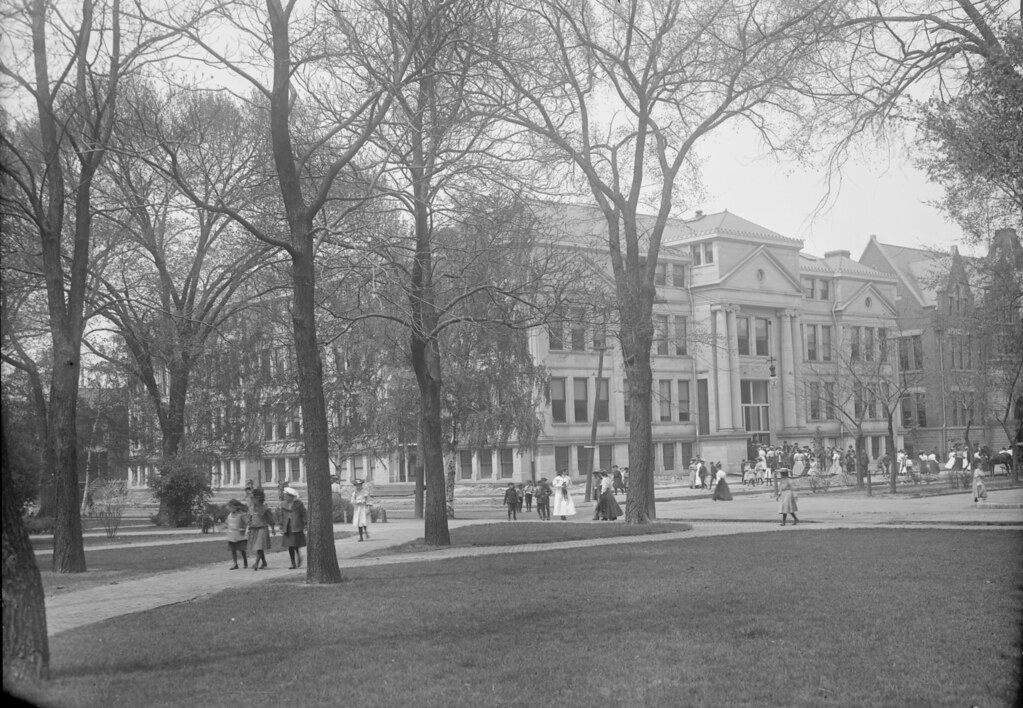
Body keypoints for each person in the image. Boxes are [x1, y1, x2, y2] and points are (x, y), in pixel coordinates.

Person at [246, 487, 276, 570]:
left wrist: (273, 528)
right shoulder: (251, 508)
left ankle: (256, 563)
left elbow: (270, 519)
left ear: (258, 499)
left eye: (253, 498)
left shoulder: (264, 509)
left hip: (262, 529)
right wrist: (248, 526)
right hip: (254, 529)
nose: (252, 500)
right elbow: (249, 519)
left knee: (259, 546)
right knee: (258, 547)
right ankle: (264, 561)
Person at [280, 487, 307, 569]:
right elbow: (282, 515)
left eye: (286, 495)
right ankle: (293, 563)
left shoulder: (299, 504)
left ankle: (298, 556)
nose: (285, 497)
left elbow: (304, 514)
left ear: (291, 496)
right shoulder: (283, 504)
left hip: (296, 526)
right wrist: (281, 526)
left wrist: (305, 524)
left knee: (295, 544)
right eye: (285, 495)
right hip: (287, 527)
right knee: (290, 545)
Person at [224, 499, 248, 569]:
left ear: (235, 507)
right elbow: (227, 523)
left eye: (230, 507)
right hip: (231, 535)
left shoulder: (241, 514)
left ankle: (245, 561)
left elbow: (246, 522)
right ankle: (235, 564)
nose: (229, 508)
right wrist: (223, 526)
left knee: (242, 549)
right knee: (233, 550)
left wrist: (244, 528)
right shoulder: (229, 515)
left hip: (240, 535)